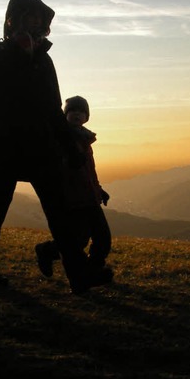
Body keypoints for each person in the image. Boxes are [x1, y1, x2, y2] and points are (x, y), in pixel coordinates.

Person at [0, 0, 113, 294]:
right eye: (30, 16)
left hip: (37, 146)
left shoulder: (43, 59)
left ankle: (78, 274)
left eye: (39, 19)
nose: (36, 23)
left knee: (55, 210)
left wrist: (70, 149)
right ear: (13, 19)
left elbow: (53, 110)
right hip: (5, 144)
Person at [35, 96, 112, 277]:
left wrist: (99, 190)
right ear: (65, 115)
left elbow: (89, 171)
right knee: (79, 240)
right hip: (73, 199)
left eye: (81, 111)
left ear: (86, 117)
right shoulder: (61, 139)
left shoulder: (85, 139)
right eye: (73, 111)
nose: (77, 114)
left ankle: (93, 268)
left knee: (100, 238)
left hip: (90, 196)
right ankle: (48, 252)